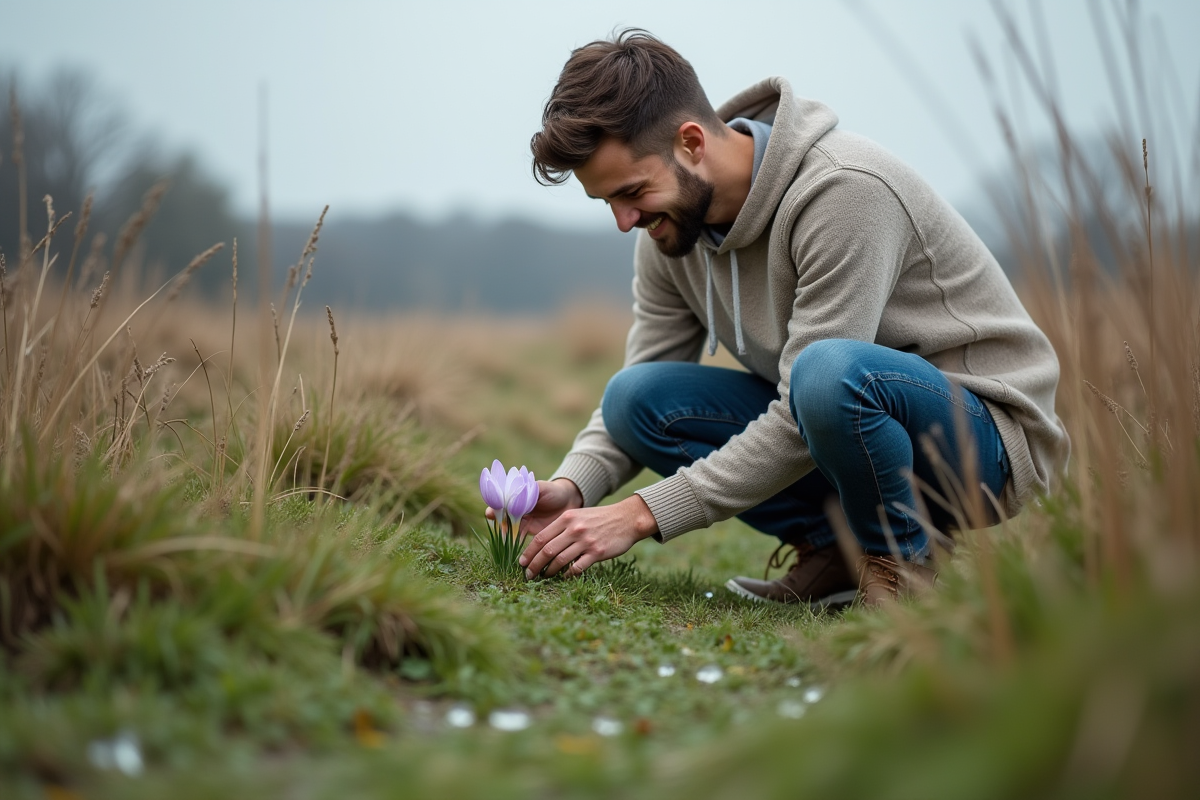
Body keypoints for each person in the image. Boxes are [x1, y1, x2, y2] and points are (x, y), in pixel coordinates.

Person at [515, 29, 1069, 607]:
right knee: (636, 397)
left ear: (691, 142)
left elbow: (812, 398)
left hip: (984, 441)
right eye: (607, 202)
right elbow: (641, 386)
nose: (624, 221)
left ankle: (903, 571)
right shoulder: (669, 234)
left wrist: (639, 514)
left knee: (827, 375)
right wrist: (572, 486)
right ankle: (834, 547)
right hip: (838, 414)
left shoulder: (843, 191)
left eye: (631, 192)